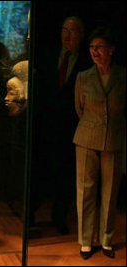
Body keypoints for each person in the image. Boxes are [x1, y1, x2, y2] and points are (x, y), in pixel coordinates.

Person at [30, 16, 91, 234]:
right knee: (38, 171)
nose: (67, 35)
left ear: (81, 36)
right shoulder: (47, 56)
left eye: (72, 31)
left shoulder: (86, 61)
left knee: (65, 175)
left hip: (71, 127)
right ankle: (31, 212)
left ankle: (60, 217)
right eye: (64, 30)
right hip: (44, 123)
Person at [74, 26, 125, 260]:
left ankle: (106, 240)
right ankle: (85, 242)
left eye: (100, 47)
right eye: (92, 47)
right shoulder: (83, 77)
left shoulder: (123, 76)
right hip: (86, 139)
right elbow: (79, 108)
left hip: (114, 140)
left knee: (110, 192)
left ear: (111, 50)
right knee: (85, 191)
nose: (95, 51)